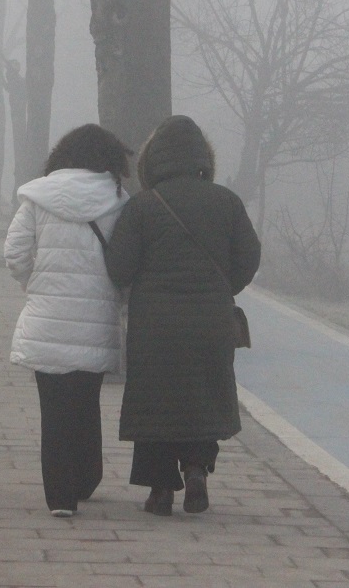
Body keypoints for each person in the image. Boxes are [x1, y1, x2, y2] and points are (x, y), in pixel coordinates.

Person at [104, 115, 261, 516]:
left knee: (155, 402)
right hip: (210, 320)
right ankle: (195, 470)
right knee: (201, 396)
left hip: (154, 324)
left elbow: (119, 267)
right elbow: (249, 257)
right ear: (202, 158)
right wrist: (223, 287)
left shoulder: (142, 207)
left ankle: (159, 490)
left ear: (153, 160)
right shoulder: (226, 201)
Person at [4, 124, 132, 517]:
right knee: (86, 402)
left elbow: (15, 253)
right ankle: (86, 477)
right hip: (95, 320)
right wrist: (115, 298)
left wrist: (35, 285)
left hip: (47, 319)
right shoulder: (119, 201)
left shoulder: (37, 197)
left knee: (53, 408)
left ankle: (60, 497)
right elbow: (126, 262)